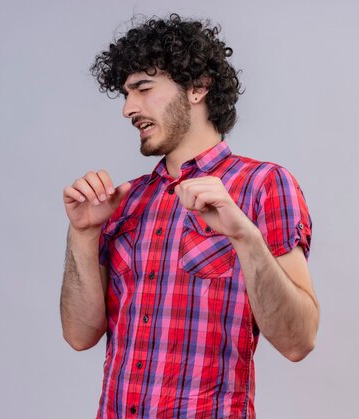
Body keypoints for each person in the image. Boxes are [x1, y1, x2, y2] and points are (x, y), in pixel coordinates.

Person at [60, 14, 319, 418]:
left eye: (143, 89)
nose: (129, 108)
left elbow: (298, 340)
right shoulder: (124, 202)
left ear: (197, 87)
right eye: (126, 94)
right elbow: (79, 336)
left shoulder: (263, 185)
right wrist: (82, 233)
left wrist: (245, 237)